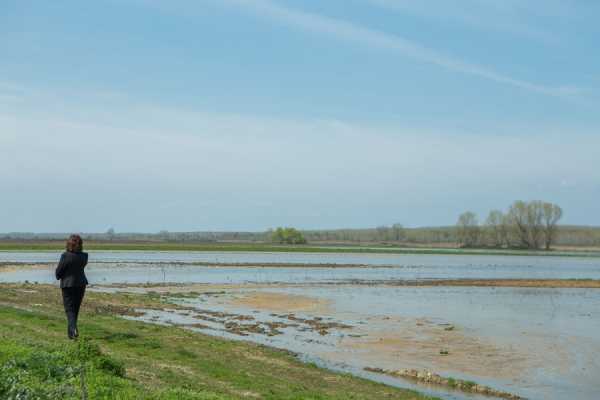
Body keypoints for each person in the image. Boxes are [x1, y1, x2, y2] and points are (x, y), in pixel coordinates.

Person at [55, 234, 89, 339]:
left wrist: (59, 275)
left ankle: (73, 330)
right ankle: (71, 334)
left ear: (69, 244)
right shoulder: (84, 256)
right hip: (81, 284)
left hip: (68, 285)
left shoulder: (66, 255)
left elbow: (58, 272)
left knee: (69, 310)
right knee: (75, 309)